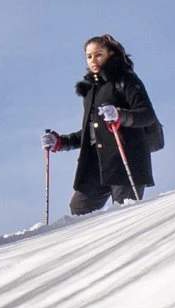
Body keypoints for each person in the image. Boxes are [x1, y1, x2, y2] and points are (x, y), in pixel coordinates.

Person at [46, 34, 163, 215]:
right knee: (79, 208)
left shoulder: (126, 80)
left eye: (98, 54)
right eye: (89, 56)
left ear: (111, 53)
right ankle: (91, 244)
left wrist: (120, 115)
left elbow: (147, 115)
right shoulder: (91, 90)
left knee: (124, 213)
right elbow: (91, 131)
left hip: (126, 159)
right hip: (97, 163)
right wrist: (61, 142)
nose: (93, 60)